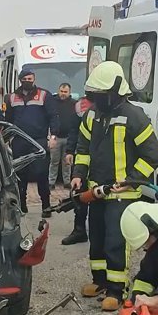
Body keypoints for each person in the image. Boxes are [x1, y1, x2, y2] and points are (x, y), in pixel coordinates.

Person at [71, 61, 158, 311]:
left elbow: (151, 155)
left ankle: (116, 290)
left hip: (123, 194)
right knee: (97, 239)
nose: (95, 100)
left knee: (115, 242)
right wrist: (79, 174)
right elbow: (82, 148)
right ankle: (99, 281)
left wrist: (131, 179)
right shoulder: (92, 115)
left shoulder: (134, 116)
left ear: (114, 93)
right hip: (97, 190)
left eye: (100, 96)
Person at [4, 69, 60, 218]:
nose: (27, 81)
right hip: (19, 141)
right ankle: (22, 205)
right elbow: (8, 119)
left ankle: (46, 206)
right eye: (25, 79)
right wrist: (6, 138)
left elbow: (53, 116)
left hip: (38, 141)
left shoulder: (44, 95)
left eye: (30, 78)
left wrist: (53, 136)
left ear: (34, 79)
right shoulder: (11, 97)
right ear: (20, 80)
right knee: (20, 175)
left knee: (42, 174)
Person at [62, 94, 94, 246]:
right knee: (80, 192)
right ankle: (79, 230)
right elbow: (74, 130)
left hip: (106, 158)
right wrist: (69, 151)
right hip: (83, 154)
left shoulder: (113, 105)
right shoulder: (81, 105)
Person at [50, 83, 76, 189]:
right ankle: (51, 182)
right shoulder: (52, 102)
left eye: (65, 92)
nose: (63, 94)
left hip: (69, 137)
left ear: (69, 92)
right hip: (56, 137)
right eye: (61, 91)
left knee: (67, 162)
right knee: (54, 161)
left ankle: (67, 182)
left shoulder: (74, 104)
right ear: (58, 90)